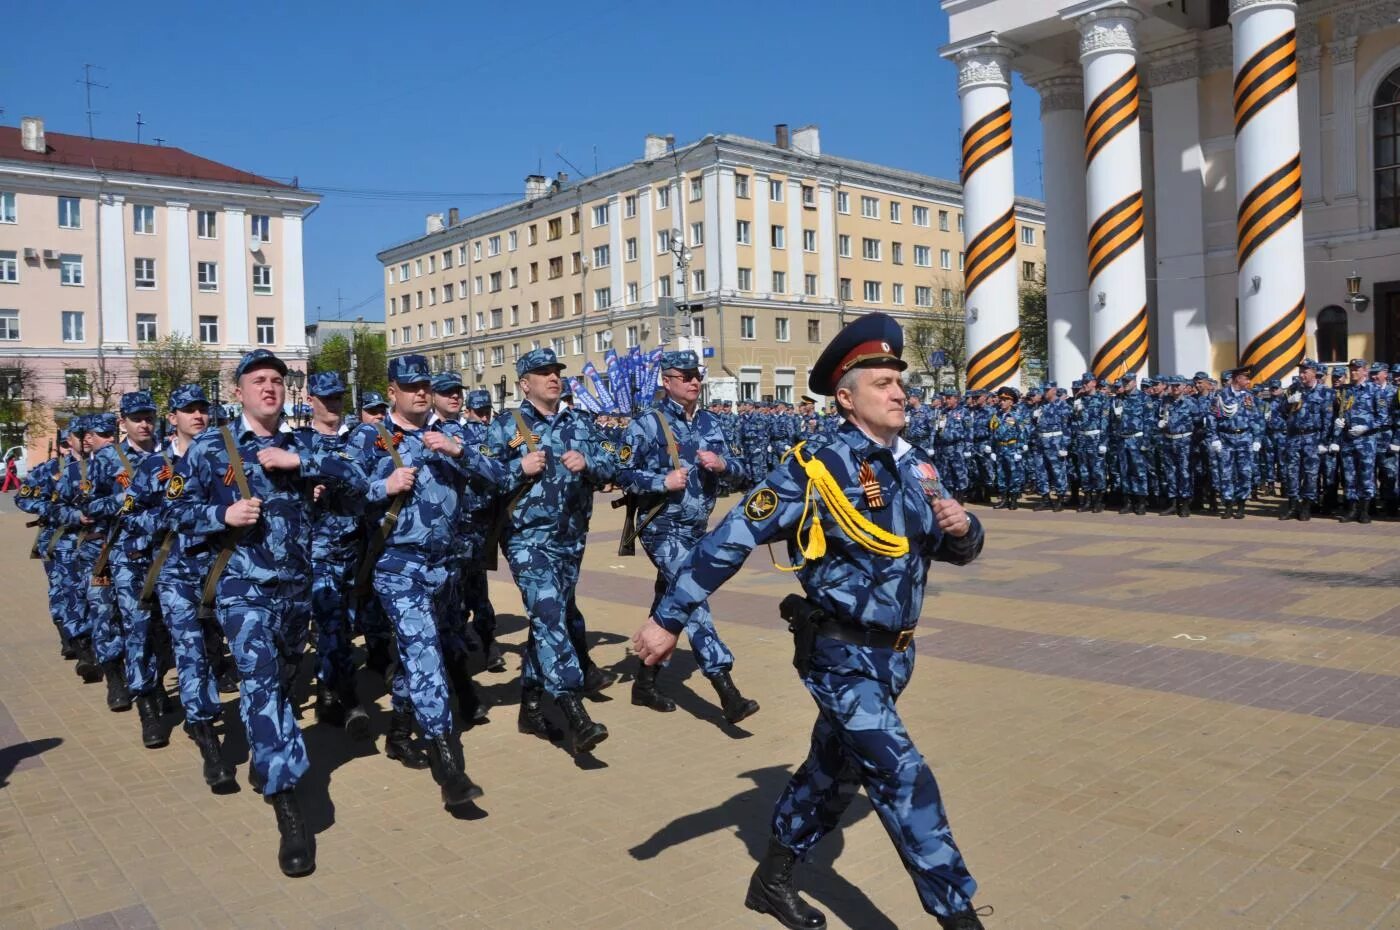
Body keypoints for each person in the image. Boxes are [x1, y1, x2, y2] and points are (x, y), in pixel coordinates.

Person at [633, 312, 990, 930]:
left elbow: (951, 546)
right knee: (903, 779)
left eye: (898, 382)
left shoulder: (913, 463)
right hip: (840, 655)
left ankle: (770, 881)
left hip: (894, 655)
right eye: (882, 383)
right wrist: (667, 620)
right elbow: (731, 538)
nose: (899, 392)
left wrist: (966, 529)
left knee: (829, 777)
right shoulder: (814, 466)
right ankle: (959, 916)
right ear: (846, 399)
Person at [167, 349, 366, 877]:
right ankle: (290, 810)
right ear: (239, 392)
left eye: (277, 380)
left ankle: (265, 751)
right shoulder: (213, 447)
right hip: (242, 589)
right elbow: (177, 512)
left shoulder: (303, 444)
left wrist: (302, 464)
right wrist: (221, 512)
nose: (270, 388)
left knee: (279, 679)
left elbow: (360, 479)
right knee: (259, 682)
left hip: (296, 593)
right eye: (258, 381)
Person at [348, 355, 511, 807]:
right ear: (393, 391)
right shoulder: (370, 437)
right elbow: (342, 495)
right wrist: (384, 487)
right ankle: (448, 766)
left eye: (425, 385)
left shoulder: (452, 433)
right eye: (410, 385)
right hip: (398, 566)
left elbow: (498, 478)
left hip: (447, 566)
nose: (420, 392)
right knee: (424, 655)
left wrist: (459, 452)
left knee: (421, 652)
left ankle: (400, 733)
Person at [615, 349, 758, 723]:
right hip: (662, 527)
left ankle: (644, 684)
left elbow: (742, 471)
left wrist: (724, 465)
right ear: (667, 380)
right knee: (693, 598)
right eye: (686, 375)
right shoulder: (647, 423)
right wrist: (660, 481)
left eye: (698, 375)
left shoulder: (710, 422)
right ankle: (726, 688)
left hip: (696, 529)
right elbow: (621, 473)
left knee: (671, 598)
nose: (695, 381)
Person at [487, 347, 617, 756]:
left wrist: (590, 461)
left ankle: (529, 706)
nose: (553, 378)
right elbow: (482, 479)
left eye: (556, 371)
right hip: (527, 540)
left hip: (570, 539)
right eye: (543, 373)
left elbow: (613, 465)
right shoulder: (507, 425)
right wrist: (517, 469)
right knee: (548, 613)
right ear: (525, 383)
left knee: (550, 619)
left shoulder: (578, 421)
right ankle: (573, 710)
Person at [140, 384, 237, 791]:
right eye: (188, 410)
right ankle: (209, 744)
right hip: (177, 573)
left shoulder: (225, 455)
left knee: (217, 652)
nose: (197, 416)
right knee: (191, 654)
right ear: (173, 417)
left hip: (222, 569)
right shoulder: (155, 467)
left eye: (202, 409)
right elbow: (135, 516)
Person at [295, 372, 370, 734]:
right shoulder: (300, 442)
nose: (334, 405)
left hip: (358, 546)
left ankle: (332, 684)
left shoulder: (359, 439)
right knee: (330, 624)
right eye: (326, 399)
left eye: (338, 397)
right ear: (312, 401)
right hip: (319, 548)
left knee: (349, 623)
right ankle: (335, 694)